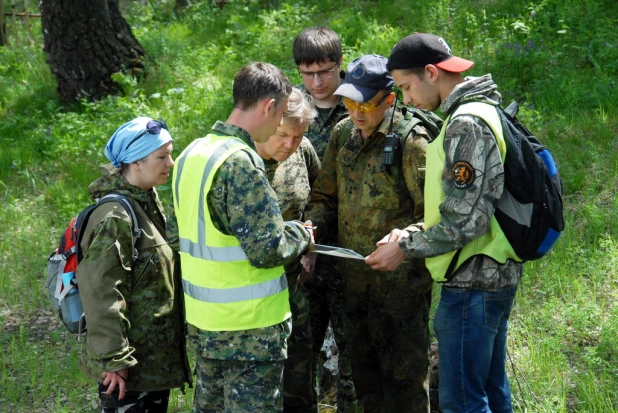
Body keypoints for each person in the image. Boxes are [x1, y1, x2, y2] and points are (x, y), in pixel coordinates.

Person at [366, 33, 523, 413]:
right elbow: (465, 207)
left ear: (432, 73)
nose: (406, 100)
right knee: (490, 392)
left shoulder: (466, 124)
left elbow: (466, 220)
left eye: (405, 86)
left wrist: (403, 247)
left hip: (473, 282)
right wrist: (413, 231)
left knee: (462, 403)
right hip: (490, 276)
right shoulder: (480, 110)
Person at [170, 62, 314, 412]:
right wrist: (301, 234)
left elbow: (178, 236)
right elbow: (268, 248)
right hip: (250, 330)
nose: (280, 125)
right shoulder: (240, 162)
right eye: (280, 116)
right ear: (269, 106)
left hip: (205, 325)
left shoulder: (192, 154)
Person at [305, 54, 439, 413]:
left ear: (390, 99)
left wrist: (404, 239)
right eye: (349, 101)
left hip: (400, 293)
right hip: (354, 286)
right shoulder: (343, 133)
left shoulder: (412, 142)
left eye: (366, 104)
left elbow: (438, 218)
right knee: (367, 387)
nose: (356, 112)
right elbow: (324, 196)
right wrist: (311, 227)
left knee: (405, 390)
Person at [77, 116, 191, 412]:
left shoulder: (146, 201)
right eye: (162, 156)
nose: (171, 162)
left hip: (149, 363)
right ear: (135, 162)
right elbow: (101, 292)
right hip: (128, 371)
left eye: (170, 153)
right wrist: (115, 360)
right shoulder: (116, 216)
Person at [292, 26, 355, 412]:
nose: (316, 82)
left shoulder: (363, 102)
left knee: (355, 353)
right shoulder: (291, 111)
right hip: (306, 252)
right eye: (307, 73)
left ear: (340, 63)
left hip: (353, 249)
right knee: (300, 350)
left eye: (325, 72)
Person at [254, 87, 321, 412]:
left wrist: (311, 247)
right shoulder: (238, 163)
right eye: (283, 135)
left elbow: (319, 201)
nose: (290, 144)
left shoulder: (301, 150)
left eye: (299, 135)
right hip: (250, 300)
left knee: (299, 386)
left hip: (295, 291)